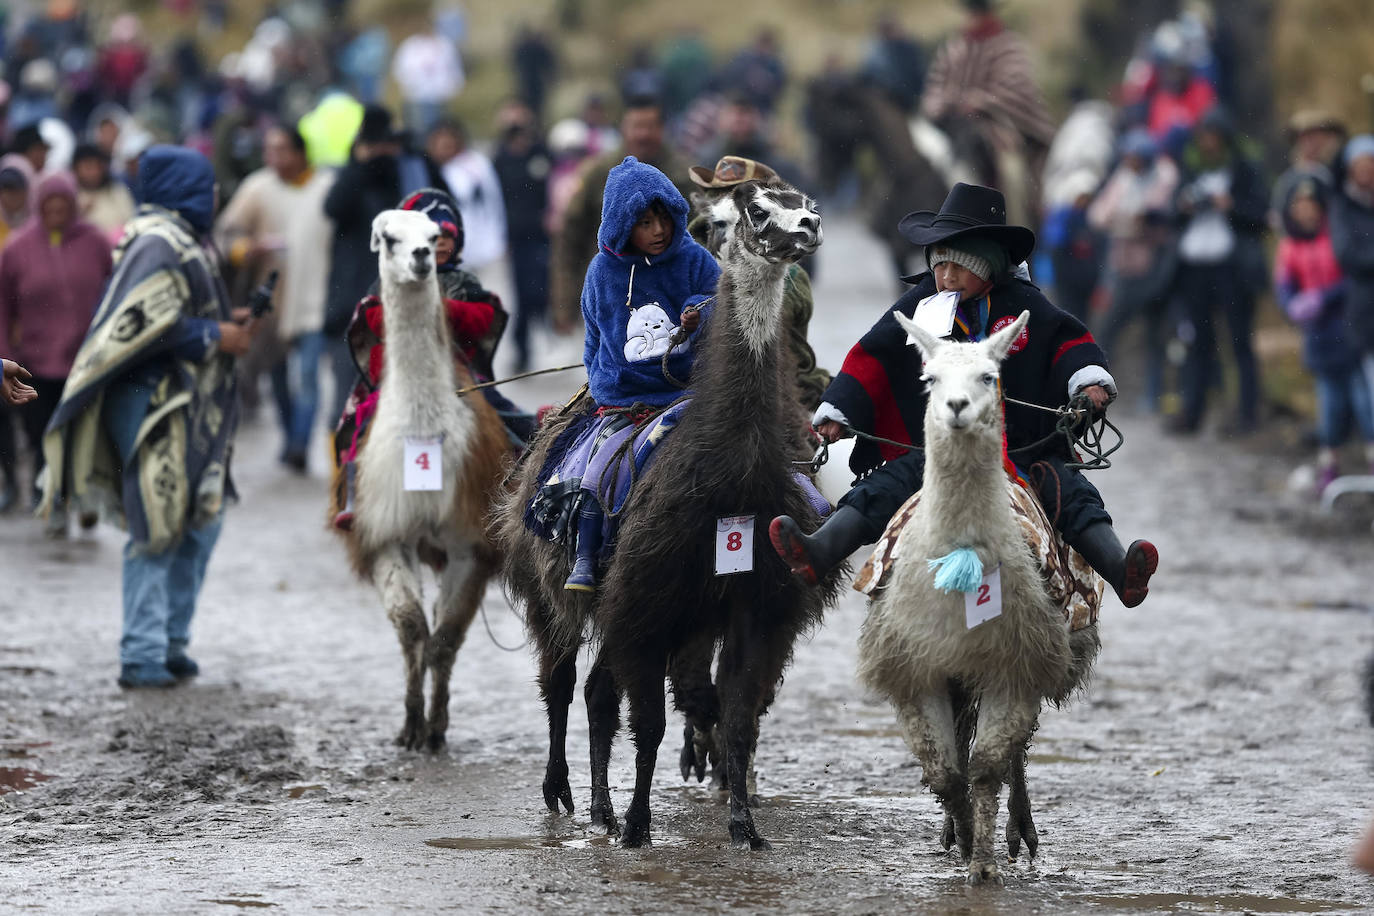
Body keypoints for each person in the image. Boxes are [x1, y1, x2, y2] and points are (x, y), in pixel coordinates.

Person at [770, 183, 1158, 609]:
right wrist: (841, 408)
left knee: (1071, 492)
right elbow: (874, 354)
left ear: (989, 265)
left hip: (1025, 448)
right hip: (941, 448)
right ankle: (820, 551)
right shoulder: (925, 303)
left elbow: (1068, 343)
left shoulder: (1026, 303)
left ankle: (1121, 570)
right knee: (885, 485)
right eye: (940, 265)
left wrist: (1088, 383)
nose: (947, 277)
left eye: (960, 266)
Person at [38, 145, 260, 688]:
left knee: (199, 526)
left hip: (192, 411)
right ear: (183, 186)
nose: (213, 197)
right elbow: (139, 322)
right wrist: (214, 335)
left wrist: (224, 320)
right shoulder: (156, 241)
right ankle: (140, 655)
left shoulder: (185, 240)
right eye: (205, 186)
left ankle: (170, 642)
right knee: (156, 527)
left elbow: (174, 311)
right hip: (155, 408)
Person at [525, 157, 720, 591]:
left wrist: (699, 315)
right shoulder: (601, 272)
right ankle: (586, 557)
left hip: (685, 394)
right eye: (644, 222)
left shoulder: (695, 259)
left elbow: (720, 301)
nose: (657, 231)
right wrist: (604, 387)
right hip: (625, 401)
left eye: (664, 219)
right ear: (622, 225)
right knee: (599, 470)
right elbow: (595, 338)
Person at [331, 187, 529, 529]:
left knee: (506, 417)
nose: (435, 246)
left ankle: (514, 485)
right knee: (359, 419)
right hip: (401, 376)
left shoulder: (464, 282)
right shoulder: (386, 282)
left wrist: (441, 310)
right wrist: (408, 309)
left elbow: (485, 318)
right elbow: (372, 321)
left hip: (460, 375)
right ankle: (352, 492)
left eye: (443, 237)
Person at [215, 124, 335, 472]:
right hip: (273, 301)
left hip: (315, 296)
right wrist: (243, 250)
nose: (274, 157)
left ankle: (299, 443)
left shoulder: (326, 188)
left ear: (300, 153)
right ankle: (289, 438)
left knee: (310, 374)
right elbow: (227, 231)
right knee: (277, 375)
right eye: (269, 149)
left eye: (282, 149)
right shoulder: (257, 187)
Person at [0, 170, 112, 530]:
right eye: (50, 207)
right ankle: (57, 502)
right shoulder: (17, 249)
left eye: (64, 207)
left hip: (86, 360)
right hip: (36, 362)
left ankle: (81, 494)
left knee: (84, 432)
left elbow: (115, 292)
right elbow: (2, 308)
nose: (57, 213)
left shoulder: (95, 242)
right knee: (44, 435)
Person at [322, 105, 447, 425]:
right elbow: (333, 207)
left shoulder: (411, 170)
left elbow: (445, 215)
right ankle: (346, 472)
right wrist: (362, 165)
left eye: (386, 143)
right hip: (355, 306)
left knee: (412, 402)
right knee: (349, 406)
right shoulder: (354, 177)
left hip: (412, 308)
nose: (381, 151)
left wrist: (419, 159)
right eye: (373, 143)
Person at [686, 155, 830, 410]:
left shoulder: (792, 277)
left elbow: (798, 355)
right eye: (724, 196)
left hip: (770, 388)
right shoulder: (682, 259)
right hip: (685, 385)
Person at [550, 96, 695, 332]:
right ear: (623, 129)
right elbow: (568, 241)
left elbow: (704, 236)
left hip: (673, 302)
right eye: (636, 127)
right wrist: (564, 304)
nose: (643, 135)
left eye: (650, 127)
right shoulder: (597, 174)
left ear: (662, 129)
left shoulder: (683, 177)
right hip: (610, 300)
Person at [1170, 107, 1268, 434]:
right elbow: (1172, 213)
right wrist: (1184, 205)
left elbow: (1261, 217)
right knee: (1197, 343)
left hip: (1232, 266)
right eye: (1204, 136)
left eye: (1214, 136)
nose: (1209, 143)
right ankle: (1193, 411)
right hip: (1195, 266)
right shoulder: (1190, 168)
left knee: (1239, 341)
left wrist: (1231, 206)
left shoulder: (1243, 169)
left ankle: (1246, 413)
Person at [1274, 177, 1373, 490]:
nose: (1306, 212)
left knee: (1364, 402)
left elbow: (1352, 279)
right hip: (1318, 336)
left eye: (1311, 205)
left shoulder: (1337, 238)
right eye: (1299, 207)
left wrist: (1324, 297)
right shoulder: (1290, 244)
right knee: (1329, 405)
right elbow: (1284, 284)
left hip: (1350, 329)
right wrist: (1293, 304)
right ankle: (1330, 466)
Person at [920, 0, 1054, 226]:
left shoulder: (1008, 46)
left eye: (979, 10)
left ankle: (1017, 230)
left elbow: (1015, 90)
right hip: (951, 127)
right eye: (971, 10)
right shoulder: (954, 47)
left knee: (1013, 174)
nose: (974, 16)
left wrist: (982, 101)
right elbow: (935, 88)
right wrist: (944, 102)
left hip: (996, 129)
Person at [1088, 129, 1180, 410]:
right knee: (1106, 330)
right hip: (1123, 268)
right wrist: (1127, 221)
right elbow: (1099, 215)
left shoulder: (1166, 175)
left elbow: (1154, 216)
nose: (1131, 163)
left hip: (1156, 268)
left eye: (1135, 159)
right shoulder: (1124, 176)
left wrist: (1130, 221)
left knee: (1156, 334)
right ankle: (1099, 388)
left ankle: (1153, 394)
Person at [491, 100, 552, 373]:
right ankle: (523, 349)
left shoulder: (540, 154)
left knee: (540, 287)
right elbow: (493, 200)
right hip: (515, 237)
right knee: (522, 293)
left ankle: (546, 329)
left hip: (541, 234)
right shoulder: (500, 159)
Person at [1330, 135, 1374, 416]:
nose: (1366, 170)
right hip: (1366, 308)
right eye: (1360, 165)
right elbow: (1346, 254)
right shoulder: (1342, 206)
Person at [427, 119, 507, 272]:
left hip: (484, 248)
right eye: (440, 142)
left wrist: (500, 236)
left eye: (449, 141)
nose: (445, 147)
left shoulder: (475, 165)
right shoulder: (430, 169)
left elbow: (494, 201)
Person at [391, 21, 464, 135]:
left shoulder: (444, 44)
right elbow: (400, 68)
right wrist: (408, 84)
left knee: (439, 128)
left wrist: (453, 85)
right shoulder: (410, 45)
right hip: (416, 95)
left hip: (439, 95)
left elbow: (453, 66)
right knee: (417, 127)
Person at [71, 142, 134, 242]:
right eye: (88, 167)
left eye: (97, 166)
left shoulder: (116, 192)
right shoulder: (71, 195)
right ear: (76, 169)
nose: (93, 172)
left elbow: (130, 223)